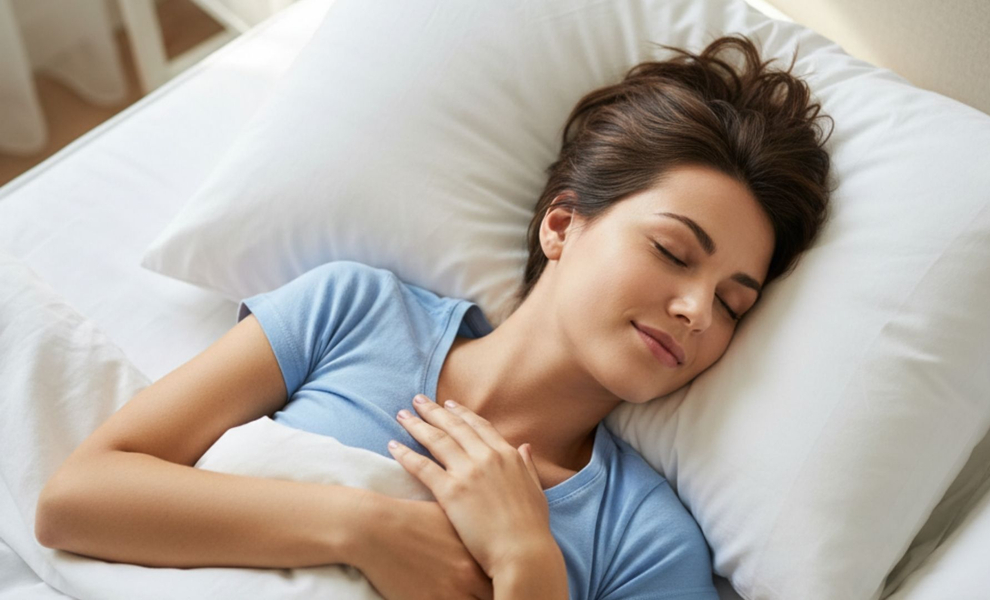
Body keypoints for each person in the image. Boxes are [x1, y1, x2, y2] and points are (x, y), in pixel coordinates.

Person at [35, 34, 832, 600]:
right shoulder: (356, 313)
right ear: (562, 226)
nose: (697, 310)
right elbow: (77, 500)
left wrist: (527, 566)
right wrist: (363, 529)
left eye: (733, 302)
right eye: (670, 251)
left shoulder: (645, 544)